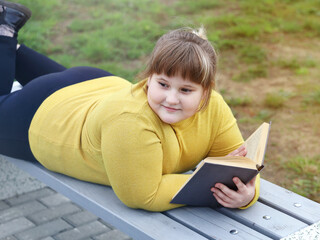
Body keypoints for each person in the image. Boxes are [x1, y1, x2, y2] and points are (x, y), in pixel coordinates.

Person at [0, 0, 259, 212]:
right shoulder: (131, 122)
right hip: (46, 116)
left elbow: (238, 166)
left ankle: (9, 40)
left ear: (206, 91)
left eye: (186, 90)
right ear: (149, 77)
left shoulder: (214, 106)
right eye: (163, 84)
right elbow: (144, 195)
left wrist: (247, 194)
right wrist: (215, 187)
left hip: (95, 85)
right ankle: (5, 34)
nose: (171, 98)